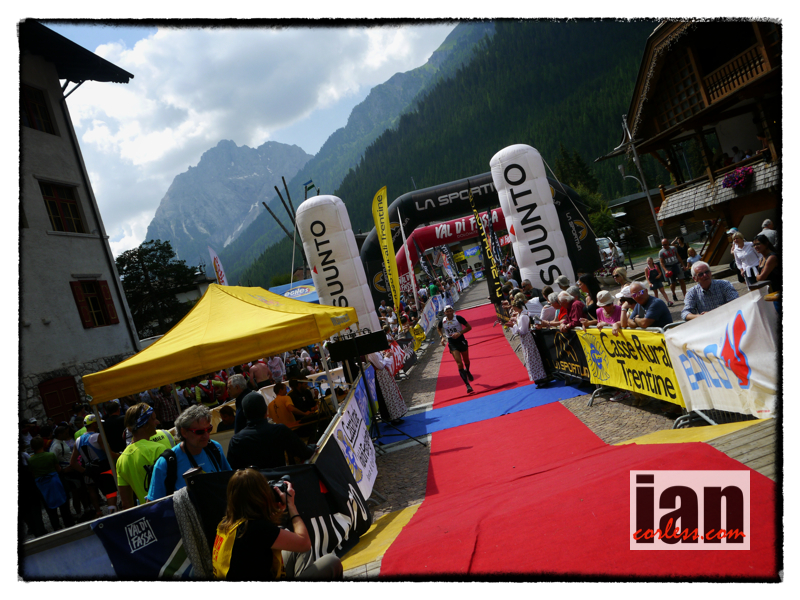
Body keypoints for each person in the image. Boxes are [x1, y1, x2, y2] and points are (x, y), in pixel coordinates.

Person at [212, 468, 342, 581]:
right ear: (259, 495)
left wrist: (274, 510)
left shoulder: (227, 523)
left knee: (295, 547)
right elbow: (304, 543)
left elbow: (262, 539)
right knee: (332, 562)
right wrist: (291, 506)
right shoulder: (257, 528)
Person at [147, 405, 232, 500]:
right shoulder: (166, 463)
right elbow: (153, 504)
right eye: (199, 432)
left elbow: (230, 481)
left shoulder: (215, 448)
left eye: (209, 429)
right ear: (184, 432)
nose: (206, 436)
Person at [227, 393, 314, 470]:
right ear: (265, 410)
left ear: (245, 414)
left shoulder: (236, 440)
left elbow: (232, 470)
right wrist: (313, 446)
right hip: (279, 481)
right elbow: (305, 453)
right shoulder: (279, 430)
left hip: (255, 483)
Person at [116, 403, 166, 510]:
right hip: (168, 509)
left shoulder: (121, 459)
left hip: (149, 513)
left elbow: (126, 504)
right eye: (154, 419)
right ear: (145, 424)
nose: (157, 422)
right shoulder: (158, 449)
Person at [28, 436, 75, 531]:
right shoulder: (50, 455)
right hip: (55, 481)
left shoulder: (30, 460)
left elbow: (32, 474)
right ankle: (69, 523)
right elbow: (58, 469)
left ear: (32, 447)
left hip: (41, 485)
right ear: (43, 445)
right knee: (63, 503)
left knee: (49, 507)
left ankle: (56, 526)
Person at [507, 296, 549, 386]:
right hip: (525, 339)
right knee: (530, 358)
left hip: (527, 338)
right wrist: (513, 324)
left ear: (516, 307)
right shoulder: (520, 315)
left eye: (513, 307)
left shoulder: (523, 316)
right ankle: (537, 378)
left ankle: (541, 378)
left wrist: (513, 326)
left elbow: (522, 330)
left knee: (532, 358)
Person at [438, 304, 475, 393]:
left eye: (450, 311)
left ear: (453, 311)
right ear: (445, 313)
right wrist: (442, 337)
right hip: (452, 343)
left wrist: (460, 333)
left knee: (466, 360)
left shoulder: (458, 318)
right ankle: (467, 385)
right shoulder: (443, 321)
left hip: (461, 340)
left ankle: (468, 371)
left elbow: (469, 327)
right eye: (447, 311)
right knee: (459, 363)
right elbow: (438, 328)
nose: (449, 313)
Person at [366, 351, 408, 423]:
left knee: (391, 393)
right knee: (388, 395)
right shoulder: (371, 353)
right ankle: (393, 416)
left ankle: (396, 415)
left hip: (383, 374)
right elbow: (380, 366)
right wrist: (386, 357)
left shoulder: (374, 352)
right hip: (380, 376)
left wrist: (384, 356)